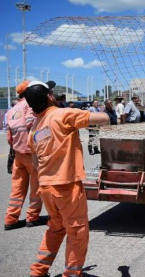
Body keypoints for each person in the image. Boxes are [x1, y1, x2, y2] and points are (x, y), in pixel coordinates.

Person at [25, 80, 110, 277]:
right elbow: (103, 118)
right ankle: (71, 273)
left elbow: (36, 163)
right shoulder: (62, 114)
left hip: (46, 187)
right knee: (77, 232)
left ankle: (38, 271)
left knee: (55, 228)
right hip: (66, 186)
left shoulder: (35, 128)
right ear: (49, 97)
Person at [4, 81, 44, 231]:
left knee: (17, 188)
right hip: (30, 153)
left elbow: (9, 136)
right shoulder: (29, 105)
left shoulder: (12, 109)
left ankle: (10, 219)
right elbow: (31, 124)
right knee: (36, 187)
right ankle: (32, 217)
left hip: (18, 154)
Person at [4, 99, 18, 174]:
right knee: (12, 152)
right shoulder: (9, 113)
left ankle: (13, 166)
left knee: (15, 151)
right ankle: (10, 168)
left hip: (14, 133)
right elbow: (7, 125)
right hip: (11, 132)